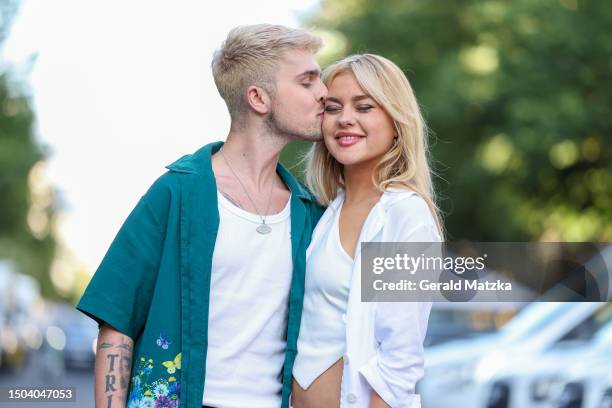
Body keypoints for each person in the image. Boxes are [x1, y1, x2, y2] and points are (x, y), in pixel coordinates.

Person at [76, 24, 327, 408]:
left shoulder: (309, 211)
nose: (324, 94)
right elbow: (117, 322)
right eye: (308, 82)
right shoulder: (176, 193)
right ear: (259, 98)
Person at [291, 54, 444, 408]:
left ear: (396, 122)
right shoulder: (325, 213)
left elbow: (399, 361)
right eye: (332, 107)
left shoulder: (405, 216)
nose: (346, 119)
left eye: (364, 107)